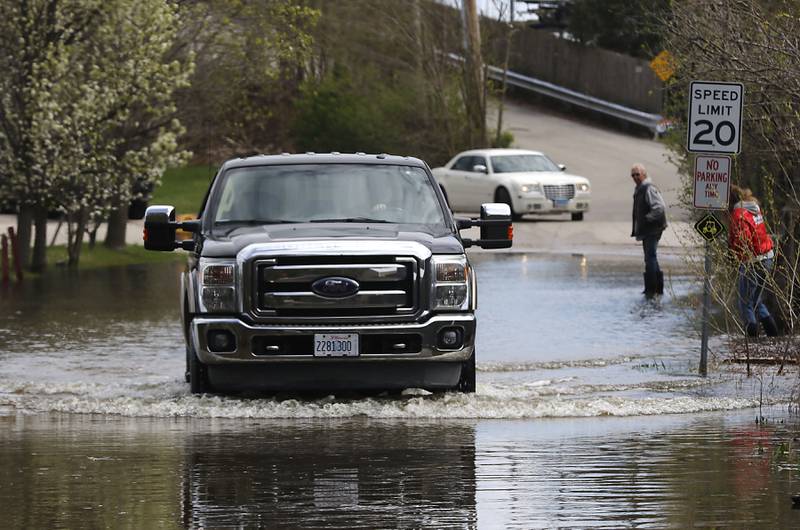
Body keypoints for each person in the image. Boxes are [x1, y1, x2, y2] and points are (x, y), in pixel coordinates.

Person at [728, 185, 778, 338]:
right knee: (756, 301)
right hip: (767, 257)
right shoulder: (752, 208)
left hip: (753, 261)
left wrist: (734, 254)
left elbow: (743, 241)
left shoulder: (739, 214)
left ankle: (752, 342)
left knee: (745, 303)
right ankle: (774, 338)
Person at [630, 163, 668, 298]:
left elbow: (660, 207)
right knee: (651, 258)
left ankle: (652, 290)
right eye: (633, 175)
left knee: (650, 258)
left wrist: (647, 219)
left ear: (644, 174)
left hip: (653, 229)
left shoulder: (648, 188)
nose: (635, 177)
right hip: (647, 230)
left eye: (637, 174)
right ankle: (656, 290)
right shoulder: (640, 188)